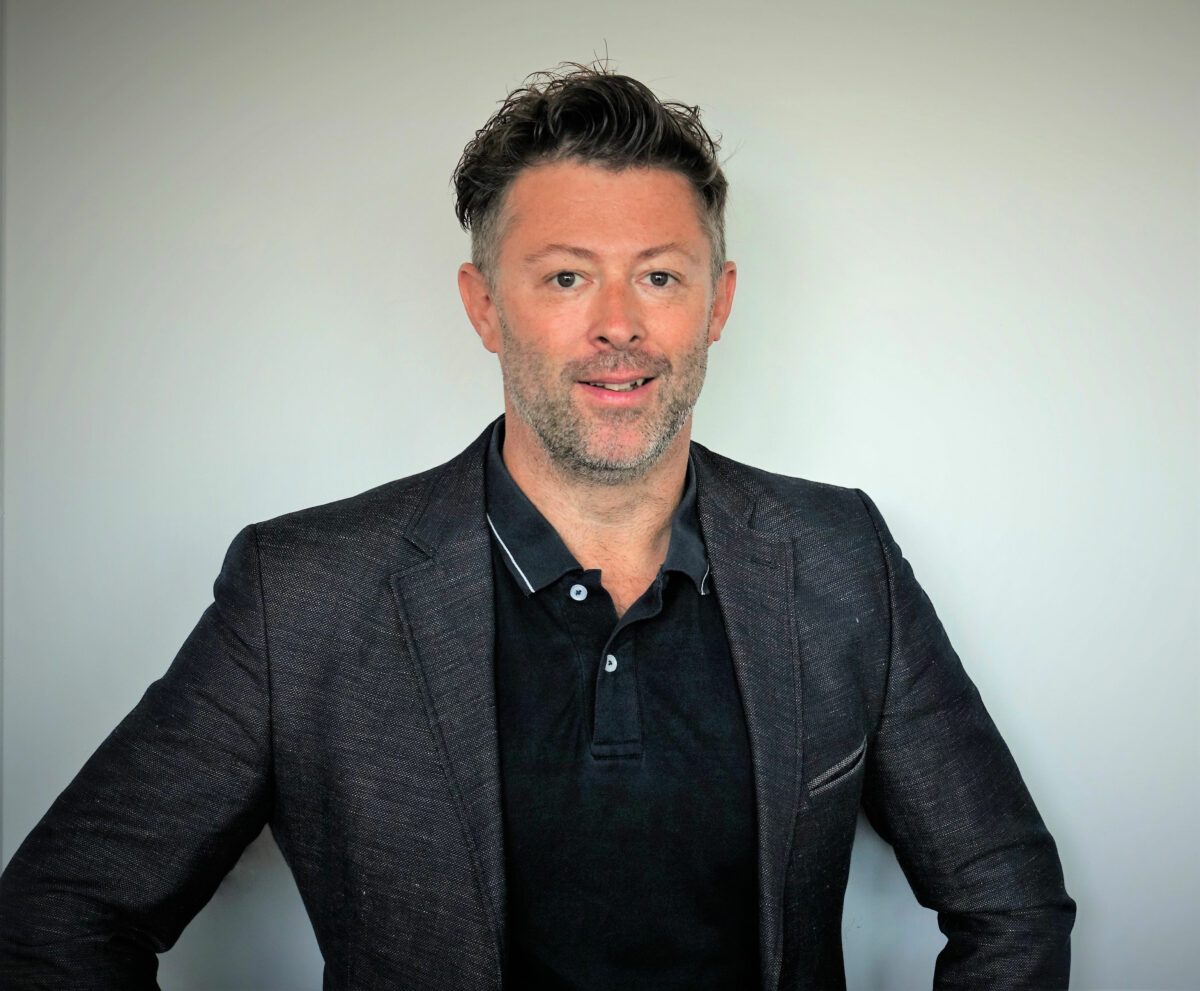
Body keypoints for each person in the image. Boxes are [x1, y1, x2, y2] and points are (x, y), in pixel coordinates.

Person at [0, 64, 1074, 990]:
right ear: (483, 305)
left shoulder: (839, 557)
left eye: (659, 275)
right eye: (566, 277)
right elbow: (61, 916)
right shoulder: (303, 591)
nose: (619, 323)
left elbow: (1010, 901)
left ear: (718, 303)